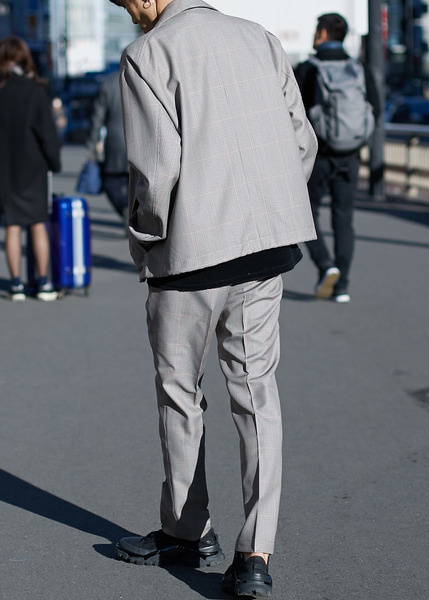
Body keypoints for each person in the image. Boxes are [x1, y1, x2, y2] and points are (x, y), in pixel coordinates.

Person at [108, 0, 317, 597]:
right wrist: (269, 205)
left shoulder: (148, 53)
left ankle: (186, 529)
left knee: (181, 392)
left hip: (191, 252)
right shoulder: (258, 37)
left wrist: (144, 239)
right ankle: (256, 555)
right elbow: (301, 140)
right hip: (266, 243)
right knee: (257, 395)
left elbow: (155, 170)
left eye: (126, 3)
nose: (131, 15)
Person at [295, 13, 381, 302]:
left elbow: (292, 112)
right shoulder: (359, 68)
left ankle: (325, 265)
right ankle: (342, 285)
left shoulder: (308, 69)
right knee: (344, 220)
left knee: (306, 214)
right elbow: (376, 108)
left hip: (317, 156)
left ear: (322, 33)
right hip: (350, 155)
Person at [0, 36, 61, 301]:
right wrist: (54, 162)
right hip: (33, 168)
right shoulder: (35, 91)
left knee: (12, 225)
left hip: (5, 169)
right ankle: (44, 283)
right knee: (37, 224)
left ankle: (16, 285)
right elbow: (47, 134)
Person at [87, 69, 129, 236]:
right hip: (142, 139)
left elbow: (97, 118)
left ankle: (124, 208)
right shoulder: (145, 78)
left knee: (111, 181)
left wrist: (92, 144)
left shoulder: (108, 83)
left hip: (116, 141)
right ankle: (134, 213)